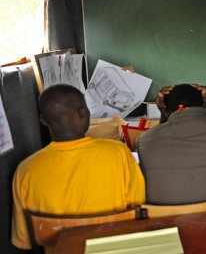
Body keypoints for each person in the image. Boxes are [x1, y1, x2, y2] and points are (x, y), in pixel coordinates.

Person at [11, 84, 145, 250]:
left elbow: (25, 241)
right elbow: (139, 214)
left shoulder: (26, 170)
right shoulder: (118, 153)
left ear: (44, 121)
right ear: (83, 113)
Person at [136, 83, 206, 205]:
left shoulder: (144, 141)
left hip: (166, 220)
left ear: (165, 107)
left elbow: (160, 134)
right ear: (203, 103)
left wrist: (163, 113)